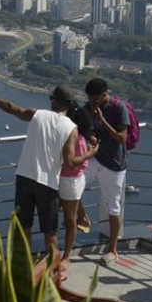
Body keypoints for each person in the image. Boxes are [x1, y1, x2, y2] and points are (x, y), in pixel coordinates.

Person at [0, 86, 78, 266]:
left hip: (24, 176)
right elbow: (70, 161)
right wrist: (90, 154)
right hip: (47, 183)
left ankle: (24, 265)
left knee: (24, 226)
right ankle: (52, 270)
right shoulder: (71, 128)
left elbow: (11, 107)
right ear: (69, 105)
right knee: (50, 233)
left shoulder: (37, 114)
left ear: (54, 101)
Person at [83, 78, 129, 264]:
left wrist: (102, 120)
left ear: (104, 95)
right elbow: (86, 129)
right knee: (72, 184)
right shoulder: (89, 107)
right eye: (90, 99)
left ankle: (113, 250)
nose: (92, 102)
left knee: (113, 206)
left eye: (95, 99)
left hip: (114, 164)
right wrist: (91, 136)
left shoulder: (119, 109)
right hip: (96, 158)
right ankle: (81, 216)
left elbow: (121, 138)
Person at [58, 91, 100, 264]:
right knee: (68, 214)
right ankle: (82, 216)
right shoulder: (74, 136)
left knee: (69, 220)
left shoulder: (77, 139)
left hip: (71, 180)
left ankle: (67, 255)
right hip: (66, 180)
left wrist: (90, 153)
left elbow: (75, 163)